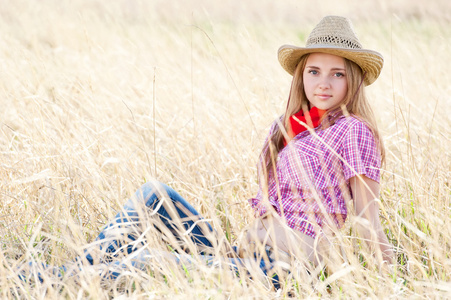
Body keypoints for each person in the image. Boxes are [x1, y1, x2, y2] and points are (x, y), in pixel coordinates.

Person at [21, 15, 394, 287]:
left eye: (337, 73)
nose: (323, 83)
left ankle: (44, 285)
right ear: (301, 76)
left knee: (147, 260)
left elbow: (366, 218)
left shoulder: (353, 130)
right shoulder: (291, 127)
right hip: (242, 254)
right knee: (155, 195)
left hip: (279, 273)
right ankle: (58, 278)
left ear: (353, 79)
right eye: (314, 71)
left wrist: (389, 284)